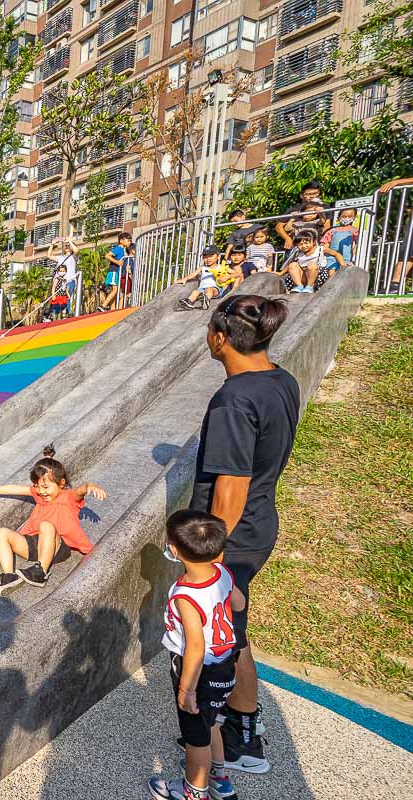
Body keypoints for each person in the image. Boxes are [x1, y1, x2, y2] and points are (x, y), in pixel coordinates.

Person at [188, 294, 299, 773]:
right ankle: (244, 731)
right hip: (259, 525)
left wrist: (208, 559)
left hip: (231, 539)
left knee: (213, 645)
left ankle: (219, 746)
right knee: (236, 636)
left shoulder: (234, 399)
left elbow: (229, 491)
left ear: (220, 337)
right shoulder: (281, 381)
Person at [148, 510, 245, 800]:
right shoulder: (222, 573)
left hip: (198, 672)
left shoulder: (185, 594)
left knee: (195, 739)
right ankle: (219, 778)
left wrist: (187, 689)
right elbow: (238, 603)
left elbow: (195, 647)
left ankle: (194, 790)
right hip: (226, 663)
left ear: (175, 550)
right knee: (212, 720)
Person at [0, 445, 107, 592]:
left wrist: (91, 486)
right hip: (34, 546)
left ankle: (41, 572)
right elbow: (15, 488)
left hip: (58, 547)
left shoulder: (68, 497)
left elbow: (80, 490)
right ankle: (9, 576)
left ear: (61, 483)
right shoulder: (38, 494)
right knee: (1, 532)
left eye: (45, 487)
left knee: (46, 525)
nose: (41, 492)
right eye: (37, 487)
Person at [175, 246, 241, 311]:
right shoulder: (203, 267)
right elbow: (193, 274)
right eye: (205, 257)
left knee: (209, 289)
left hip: (215, 289)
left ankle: (206, 300)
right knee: (195, 292)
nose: (208, 259)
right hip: (202, 288)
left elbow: (237, 273)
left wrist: (227, 277)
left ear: (218, 256)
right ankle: (188, 302)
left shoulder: (221, 267)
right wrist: (185, 279)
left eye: (211, 256)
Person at [281, 230, 346, 293]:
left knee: (312, 264)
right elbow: (290, 265)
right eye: (300, 244)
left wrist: (343, 266)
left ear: (314, 242)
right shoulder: (298, 253)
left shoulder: (320, 249)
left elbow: (337, 254)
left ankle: (309, 286)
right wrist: (281, 273)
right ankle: (299, 285)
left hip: (317, 276)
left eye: (306, 243)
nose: (303, 246)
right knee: (293, 265)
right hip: (303, 276)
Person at [275, 181, 329, 249]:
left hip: (314, 245)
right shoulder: (294, 208)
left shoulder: (324, 207)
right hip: (296, 244)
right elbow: (279, 227)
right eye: (309, 194)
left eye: (315, 193)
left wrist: (324, 241)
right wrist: (287, 239)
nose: (312, 196)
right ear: (302, 195)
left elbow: (326, 224)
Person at [99, 231, 132, 311]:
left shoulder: (123, 250)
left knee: (115, 291)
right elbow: (107, 256)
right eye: (128, 240)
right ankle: (103, 305)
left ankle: (112, 309)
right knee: (115, 290)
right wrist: (118, 262)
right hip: (113, 271)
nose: (130, 242)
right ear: (121, 240)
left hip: (117, 273)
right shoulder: (118, 248)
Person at [47, 236, 79, 304]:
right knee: (58, 300)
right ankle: (58, 312)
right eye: (66, 246)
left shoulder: (74, 256)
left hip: (69, 280)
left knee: (67, 299)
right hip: (59, 281)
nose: (67, 247)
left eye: (68, 246)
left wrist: (69, 241)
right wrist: (52, 245)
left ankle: (67, 313)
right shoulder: (60, 257)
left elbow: (76, 250)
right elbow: (49, 256)